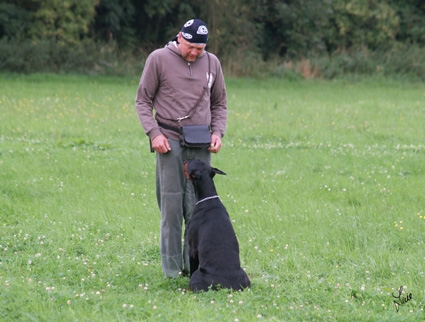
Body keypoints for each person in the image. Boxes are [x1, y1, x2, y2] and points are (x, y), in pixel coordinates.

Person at [135, 18, 227, 278]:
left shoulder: (212, 63)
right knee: (172, 208)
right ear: (179, 38)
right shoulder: (158, 59)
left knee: (200, 207)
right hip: (169, 143)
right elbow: (143, 101)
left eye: (200, 48)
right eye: (190, 46)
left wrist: (218, 132)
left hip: (201, 144)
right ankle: (173, 270)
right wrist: (154, 134)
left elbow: (219, 103)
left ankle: (196, 266)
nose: (195, 52)